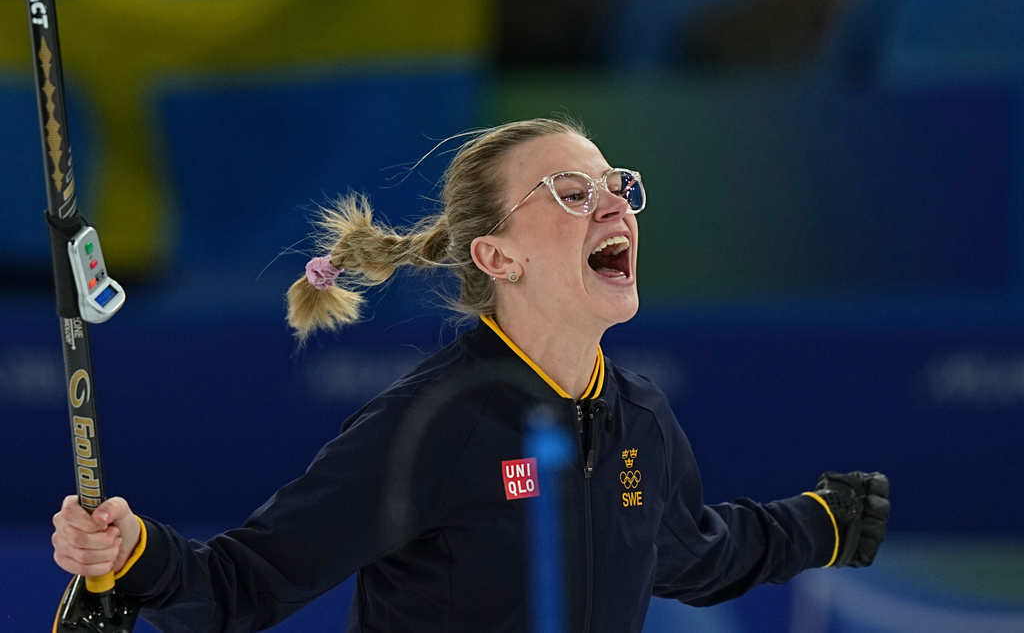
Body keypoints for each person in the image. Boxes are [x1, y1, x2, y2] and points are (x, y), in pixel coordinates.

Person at [52, 117, 890, 632]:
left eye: (616, 186)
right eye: (569, 191)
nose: (612, 205)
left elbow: (688, 553)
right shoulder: (433, 424)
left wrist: (822, 523)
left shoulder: (639, 417)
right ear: (497, 255)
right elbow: (242, 586)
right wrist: (133, 556)